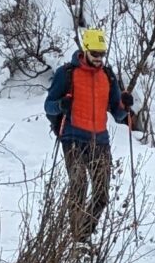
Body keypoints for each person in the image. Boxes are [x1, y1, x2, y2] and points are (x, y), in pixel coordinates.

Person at [44, 27, 132, 236]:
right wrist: (61, 106)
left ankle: (83, 234)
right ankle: (76, 238)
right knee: (79, 185)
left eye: (103, 54)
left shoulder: (108, 76)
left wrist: (125, 105)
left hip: (100, 140)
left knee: (102, 194)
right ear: (85, 50)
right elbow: (48, 106)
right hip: (73, 137)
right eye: (95, 54)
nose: (99, 58)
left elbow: (118, 114)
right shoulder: (67, 73)